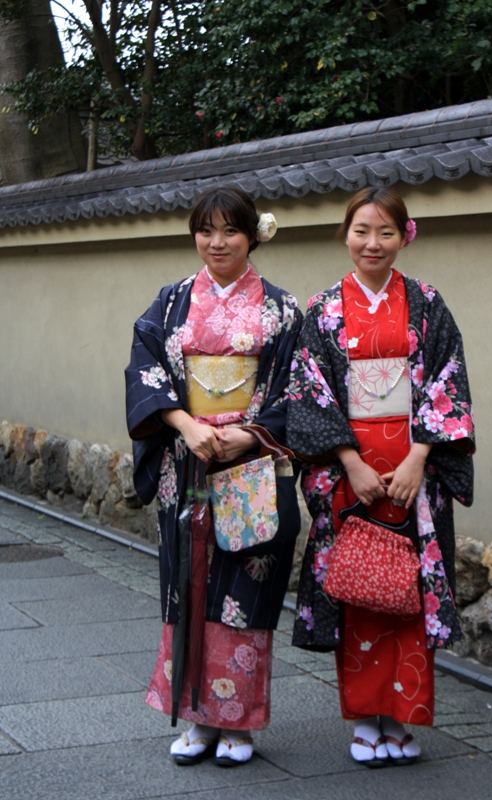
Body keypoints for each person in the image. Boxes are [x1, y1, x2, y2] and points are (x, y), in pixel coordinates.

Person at [286, 187, 475, 767]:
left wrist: (421, 456)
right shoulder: (321, 311)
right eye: (362, 231)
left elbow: (448, 379)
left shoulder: (427, 303)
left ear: (404, 236)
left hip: (416, 475)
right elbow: (308, 394)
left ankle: (404, 715)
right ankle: (366, 717)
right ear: (345, 234)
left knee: (409, 593)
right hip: (352, 474)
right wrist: (349, 462)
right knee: (360, 589)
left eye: (385, 232)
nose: (373, 243)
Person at [125, 185, 302, 767]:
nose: (216, 242)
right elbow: (144, 368)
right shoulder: (171, 302)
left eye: (230, 230)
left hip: (251, 465)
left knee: (244, 592)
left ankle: (239, 724)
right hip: (187, 462)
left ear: (253, 235)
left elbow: (295, 391)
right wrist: (183, 423)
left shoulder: (282, 311)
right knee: (188, 584)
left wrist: (250, 434)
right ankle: (197, 716)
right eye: (206, 230)